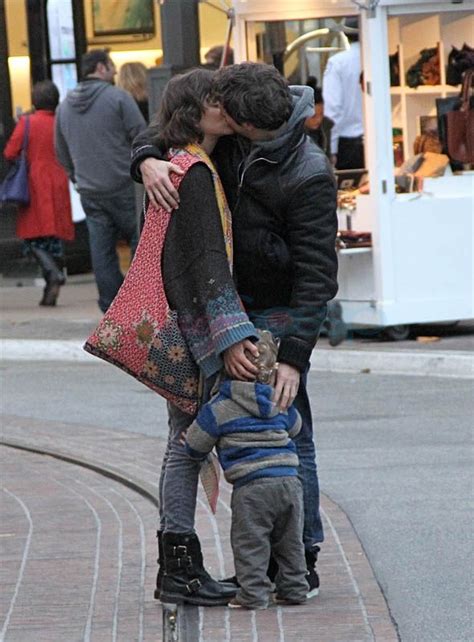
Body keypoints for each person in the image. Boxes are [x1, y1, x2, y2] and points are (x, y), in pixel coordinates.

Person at [130, 62, 339, 598]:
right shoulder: (215, 135)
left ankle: (300, 557)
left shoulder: (307, 169)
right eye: (220, 112)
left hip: (268, 314)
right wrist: (146, 159)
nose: (229, 123)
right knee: (197, 439)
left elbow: (318, 274)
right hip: (220, 315)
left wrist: (294, 353)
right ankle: (200, 561)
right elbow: (169, 122)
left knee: (289, 429)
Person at [142, 68, 260, 607]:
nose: (223, 107)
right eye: (213, 100)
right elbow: (207, 263)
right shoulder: (192, 173)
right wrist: (230, 335)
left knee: (183, 445)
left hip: (187, 325)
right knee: (185, 448)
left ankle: (180, 565)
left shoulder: (190, 165)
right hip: (196, 332)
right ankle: (180, 568)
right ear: (192, 110)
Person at [185, 330, 308, 610]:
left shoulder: (221, 406)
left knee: (250, 542)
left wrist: (189, 443)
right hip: (289, 481)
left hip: (252, 487)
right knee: (290, 541)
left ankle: (253, 594)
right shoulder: (279, 400)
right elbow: (297, 428)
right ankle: (295, 588)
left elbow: (195, 444)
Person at [55, 49, 146, 313]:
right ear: (101, 67)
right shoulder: (119, 97)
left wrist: (78, 177)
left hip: (89, 189)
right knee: (139, 242)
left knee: (101, 249)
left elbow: (60, 152)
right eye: (112, 65)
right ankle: (139, 302)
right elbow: (140, 136)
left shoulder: (64, 107)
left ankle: (111, 305)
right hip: (125, 185)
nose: (116, 71)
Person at [4, 80, 74, 306]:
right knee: (52, 236)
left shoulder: (26, 122)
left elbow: (10, 152)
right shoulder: (62, 122)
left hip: (34, 184)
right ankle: (49, 289)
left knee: (32, 237)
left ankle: (52, 273)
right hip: (59, 181)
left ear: (35, 101)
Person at [323, 17, 365, 169]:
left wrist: (332, 149)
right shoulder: (379, 58)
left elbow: (333, 108)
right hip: (378, 137)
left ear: (345, 35)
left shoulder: (338, 63)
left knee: (350, 189)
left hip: (348, 143)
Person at [304, 76, 334, 158]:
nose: (319, 120)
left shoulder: (327, 126)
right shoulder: (294, 133)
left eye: (321, 114)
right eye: (313, 116)